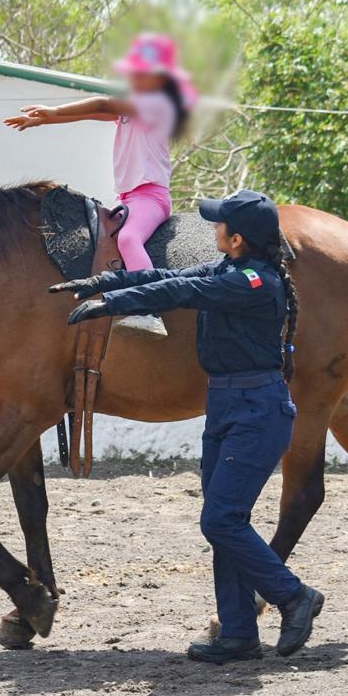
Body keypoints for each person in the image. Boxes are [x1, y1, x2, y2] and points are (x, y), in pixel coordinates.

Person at [50, 189, 324, 664]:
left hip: (256, 412)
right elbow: (166, 277)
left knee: (220, 520)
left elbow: (181, 294)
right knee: (226, 523)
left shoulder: (253, 283)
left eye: (220, 224)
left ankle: (294, 595)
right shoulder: (230, 269)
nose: (213, 228)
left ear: (237, 239)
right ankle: (238, 634)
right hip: (226, 406)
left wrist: (111, 303)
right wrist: (102, 282)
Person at [4, 32, 197, 340]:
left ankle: (150, 309)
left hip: (151, 197)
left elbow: (102, 103)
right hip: (129, 198)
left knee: (129, 239)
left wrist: (54, 111)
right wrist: (47, 120)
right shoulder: (129, 112)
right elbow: (96, 112)